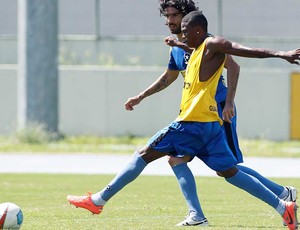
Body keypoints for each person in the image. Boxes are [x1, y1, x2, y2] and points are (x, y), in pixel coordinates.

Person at [67, 10, 300, 230]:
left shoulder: (211, 44)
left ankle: (98, 200)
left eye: (186, 30)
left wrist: (281, 54)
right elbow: (185, 49)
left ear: (198, 30)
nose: (182, 33)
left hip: (190, 123)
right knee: (230, 172)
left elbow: (241, 50)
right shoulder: (195, 49)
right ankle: (283, 206)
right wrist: (177, 44)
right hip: (210, 126)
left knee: (143, 154)